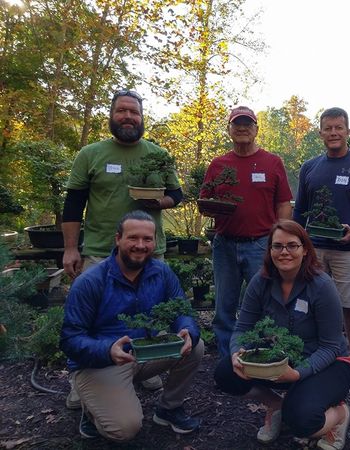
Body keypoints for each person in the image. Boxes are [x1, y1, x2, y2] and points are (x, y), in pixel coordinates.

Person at [61, 89, 181, 404]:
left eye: (134, 112)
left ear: (142, 118)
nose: (128, 117)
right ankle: (83, 378)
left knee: (149, 310)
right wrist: (71, 248)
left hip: (149, 250)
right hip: (100, 250)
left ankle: (145, 364)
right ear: (111, 116)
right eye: (122, 111)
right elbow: (73, 204)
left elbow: (177, 195)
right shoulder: (91, 154)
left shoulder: (158, 154)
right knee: (93, 319)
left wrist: (160, 200)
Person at [60, 211, 203, 442]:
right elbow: (69, 339)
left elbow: (182, 311)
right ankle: (92, 410)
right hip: (100, 362)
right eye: (133, 238)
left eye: (147, 239)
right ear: (118, 239)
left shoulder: (161, 272)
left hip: (143, 352)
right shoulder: (90, 282)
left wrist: (188, 330)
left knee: (194, 345)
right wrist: (107, 350)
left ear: (155, 242)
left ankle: (168, 409)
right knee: (124, 429)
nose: (140, 245)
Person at [214, 220, 350, 450]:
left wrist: (298, 374)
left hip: (329, 363)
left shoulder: (321, 286)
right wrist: (236, 353)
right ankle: (276, 405)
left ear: (305, 249)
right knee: (227, 374)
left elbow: (330, 346)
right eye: (277, 246)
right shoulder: (261, 282)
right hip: (279, 359)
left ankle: (339, 415)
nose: (284, 252)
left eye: (292, 245)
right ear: (269, 250)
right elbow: (242, 328)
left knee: (301, 420)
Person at [293, 107, 350, 394]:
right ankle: (314, 362)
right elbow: (300, 211)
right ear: (320, 132)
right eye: (328, 128)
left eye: (339, 128)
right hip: (314, 249)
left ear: (348, 131)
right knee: (308, 306)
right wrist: (297, 243)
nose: (333, 133)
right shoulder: (310, 167)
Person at [201, 106, 293, 358]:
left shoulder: (272, 162)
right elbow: (205, 201)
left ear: (256, 129)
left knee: (266, 303)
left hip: (261, 244)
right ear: (229, 129)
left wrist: (280, 238)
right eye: (236, 123)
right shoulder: (219, 165)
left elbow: (283, 203)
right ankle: (226, 361)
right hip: (225, 245)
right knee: (224, 306)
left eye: (247, 123)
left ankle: (265, 357)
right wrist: (215, 206)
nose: (242, 128)